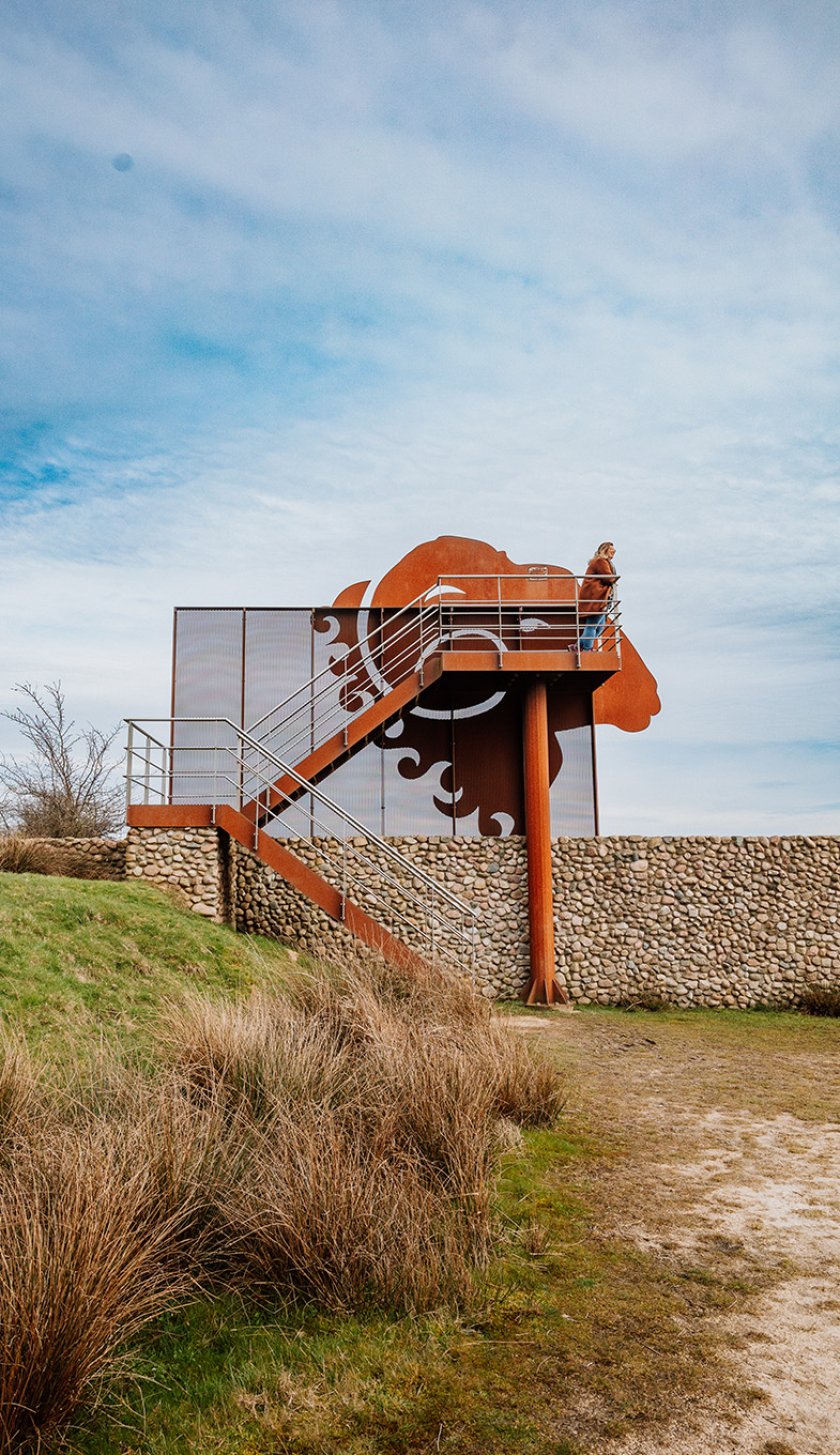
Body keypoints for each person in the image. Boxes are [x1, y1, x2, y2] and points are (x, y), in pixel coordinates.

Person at [578, 541, 617, 652]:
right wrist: (615, 580)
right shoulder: (601, 561)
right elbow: (608, 578)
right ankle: (587, 649)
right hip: (596, 598)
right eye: (611, 549)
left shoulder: (602, 562)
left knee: (599, 627)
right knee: (592, 626)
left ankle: (578, 645)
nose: (613, 552)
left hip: (599, 598)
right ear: (604, 550)